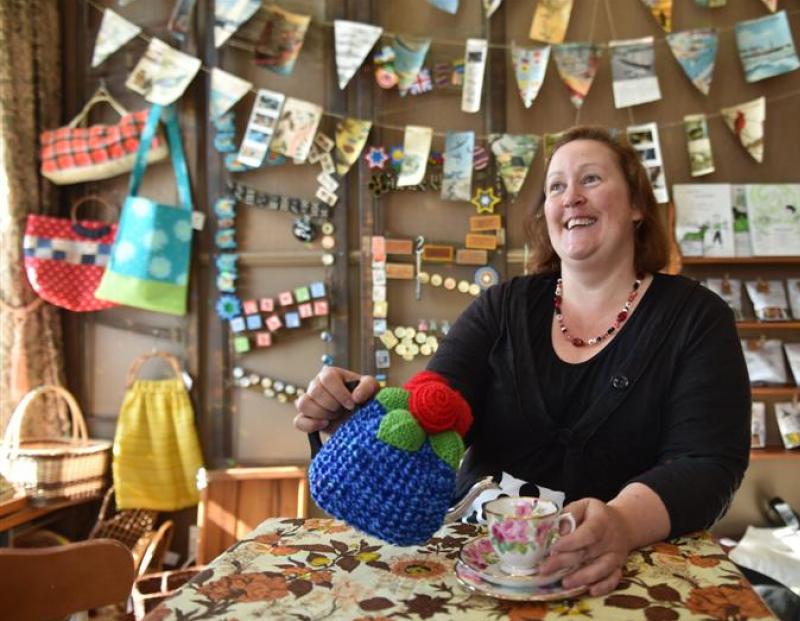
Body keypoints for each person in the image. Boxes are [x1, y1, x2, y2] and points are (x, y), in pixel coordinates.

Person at [294, 126, 751, 596]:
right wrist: (368, 427)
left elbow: (707, 462)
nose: (570, 197)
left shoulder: (696, 318)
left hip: (626, 575)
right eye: (556, 186)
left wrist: (621, 522)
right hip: (484, 569)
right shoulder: (502, 308)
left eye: (590, 179)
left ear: (636, 206)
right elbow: (436, 409)